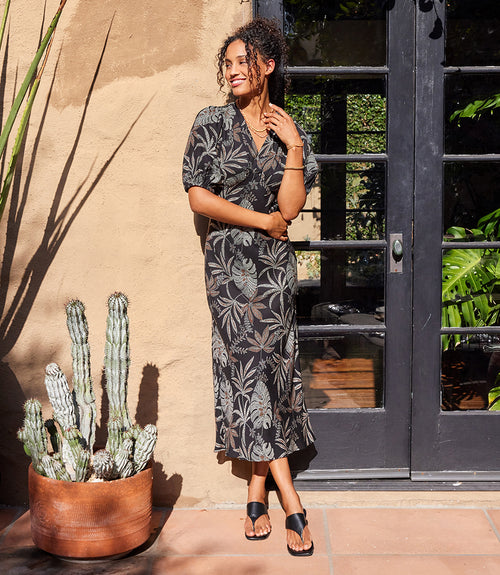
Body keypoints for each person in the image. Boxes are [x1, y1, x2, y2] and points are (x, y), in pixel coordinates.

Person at [182, 17, 318, 557]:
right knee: (252, 369)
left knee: (269, 371)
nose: (234, 71)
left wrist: (294, 149)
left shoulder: (288, 128)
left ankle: (256, 489)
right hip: (230, 271)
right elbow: (199, 197)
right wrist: (260, 221)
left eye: (244, 62)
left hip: (275, 272)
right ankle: (292, 501)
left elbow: (291, 207)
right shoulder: (211, 123)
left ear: (268, 66)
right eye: (228, 64)